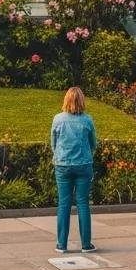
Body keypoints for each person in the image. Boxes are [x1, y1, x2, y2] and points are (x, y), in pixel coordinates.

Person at [51, 87, 97, 254]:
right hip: (84, 164)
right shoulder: (87, 120)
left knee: (64, 204)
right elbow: (94, 144)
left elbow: (53, 144)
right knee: (83, 203)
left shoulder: (57, 119)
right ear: (82, 101)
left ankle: (61, 244)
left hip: (62, 165)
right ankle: (86, 244)